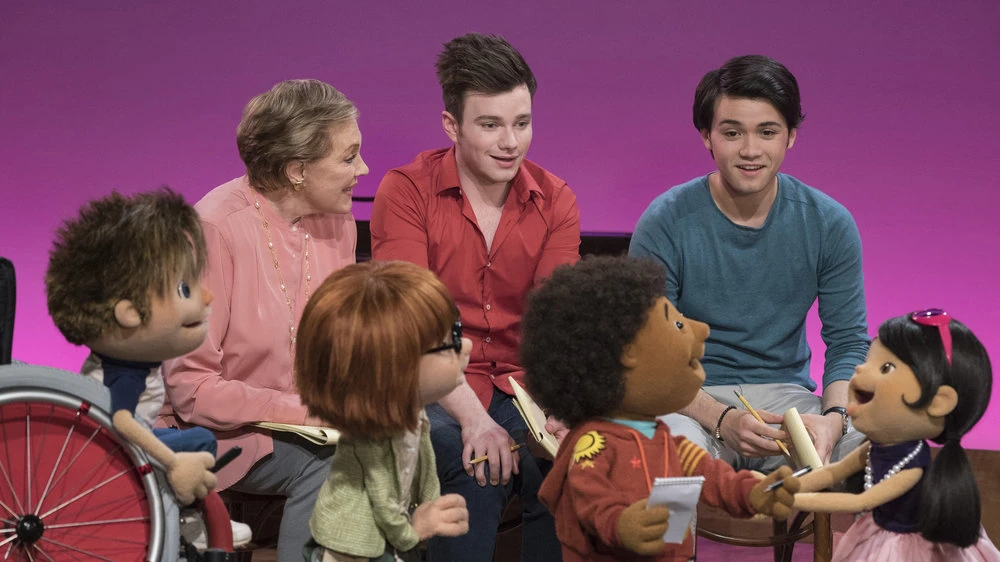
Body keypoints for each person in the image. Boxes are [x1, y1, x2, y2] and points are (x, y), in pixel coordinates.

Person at [370, 33, 579, 561]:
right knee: (478, 469)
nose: (511, 142)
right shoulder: (407, 191)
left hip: (522, 385)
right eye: (490, 125)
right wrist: (472, 418)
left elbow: (557, 323)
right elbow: (415, 325)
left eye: (522, 123)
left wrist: (559, 405)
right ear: (452, 125)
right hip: (430, 381)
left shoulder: (556, 199)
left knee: (568, 465)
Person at [629, 54, 869, 474]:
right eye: (732, 132)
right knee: (665, 460)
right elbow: (650, 354)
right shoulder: (665, 221)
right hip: (690, 400)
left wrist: (835, 420)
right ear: (707, 136)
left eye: (767, 132)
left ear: (791, 136)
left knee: (881, 449)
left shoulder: (828, 222)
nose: (750, 150)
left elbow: (848, 342)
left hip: (789, 402)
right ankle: (678, 522)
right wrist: (722, 419)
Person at [160, 79, 368, 561]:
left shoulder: (337, 220)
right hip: (218, 431)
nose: (362, 169)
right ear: (297, 170)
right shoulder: (214, 229)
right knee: (338, 461)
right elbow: (192, 390)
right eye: (348, 157)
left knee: (409, 441)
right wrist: (306, 411)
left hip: (309, 420)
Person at [522, 255, 800, 561]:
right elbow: (589, 498)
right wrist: (621, 525)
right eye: (676, 324)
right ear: (629, 354)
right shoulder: (594, 443)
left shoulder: (666, 440)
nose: (701, 330)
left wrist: (751, 493)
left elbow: (711, 476)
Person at [44, 189, 221, 510]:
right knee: (200, 441)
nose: (205, 297)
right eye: (185, 289)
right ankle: (185, 516)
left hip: (113, 445)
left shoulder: (118, 363)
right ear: (130, 313)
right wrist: (173, 463)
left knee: (192, 437)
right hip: (115, 453)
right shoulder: (126, 376)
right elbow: (123, 422)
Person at [791, 309, 1000, 561]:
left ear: (939, 402)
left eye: (886, 367)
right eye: (868, 360)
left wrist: (792, 499)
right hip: (874, 535)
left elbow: (860, 503)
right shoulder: (873, 448)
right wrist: (790, 485)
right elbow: (832, 473)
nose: (859, 369)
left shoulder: (912, 467)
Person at [297, 261, 471, 561]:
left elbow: (423, 464)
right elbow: (382, 500)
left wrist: (430, 502)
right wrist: (414, 532)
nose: (465, 346)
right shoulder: (372, 438)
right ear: (395, 367)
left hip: (386, 536)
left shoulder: (415, 416)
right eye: (448, 343)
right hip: (353, 547)